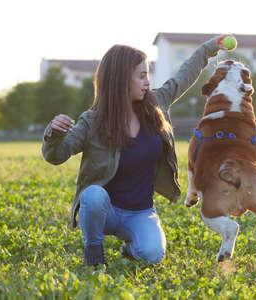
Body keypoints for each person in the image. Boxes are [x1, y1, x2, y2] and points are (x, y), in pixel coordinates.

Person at [42, 35, 228, 266]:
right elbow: (57, 156)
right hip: (105, 211)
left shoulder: (155, 105)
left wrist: (210, 48)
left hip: (140, 213)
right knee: (92, 195)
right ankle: (93, 250)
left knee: (152, 255)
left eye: (147, 75)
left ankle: (130, 247)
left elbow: (183, 75)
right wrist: (54, 133)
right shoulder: (93, 121)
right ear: (121, 80)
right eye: (141, 76)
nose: (147, 82)